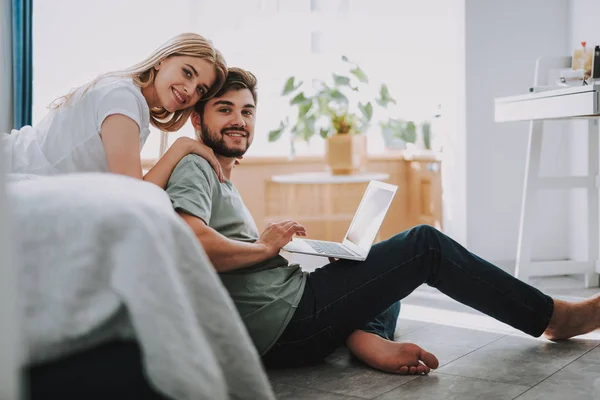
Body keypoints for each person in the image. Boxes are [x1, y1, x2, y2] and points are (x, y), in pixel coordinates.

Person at [164, 67, 600, 376]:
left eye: (247, 110)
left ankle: (362, 336)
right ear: (198, 119)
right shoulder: (195, 168)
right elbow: (194, 244)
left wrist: (266, 246)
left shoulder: (218, 172)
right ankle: (555, 318)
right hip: (284, 323)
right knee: (424, 245)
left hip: (285, 314)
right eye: (225, 110)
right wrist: (265, 248)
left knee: (375, 265)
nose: (239, 120)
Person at [2, 32, 227, 186]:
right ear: (162, 60)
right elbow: (130, 193)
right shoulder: (123, 99)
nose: (189, 90)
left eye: (200, 89)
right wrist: (182, 146)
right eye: (187, 72)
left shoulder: (131, 100)